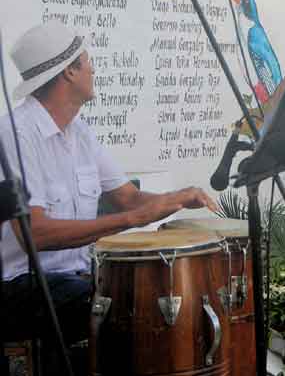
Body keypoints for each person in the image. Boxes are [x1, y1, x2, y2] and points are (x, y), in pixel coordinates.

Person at [0, 22, 217, 373]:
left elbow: (128, 198)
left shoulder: (80, 132)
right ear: (69, 72)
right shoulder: (15, 135)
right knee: (125, 306)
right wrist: (130, 221)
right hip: (20, 287)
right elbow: (34, 234)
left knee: (157, 295)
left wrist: (176, 198)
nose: (93, 68)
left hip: (77, 278)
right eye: (87, 61)